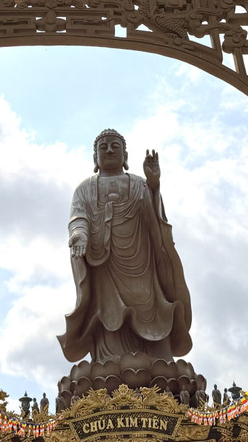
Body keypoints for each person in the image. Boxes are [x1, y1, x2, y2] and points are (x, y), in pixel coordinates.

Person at [58, 129, 192, 363]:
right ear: (95, 159)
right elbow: (78, 217)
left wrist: (153, 184)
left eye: (115, 147)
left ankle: (158, 360)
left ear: (126, 156)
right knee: (108, 317)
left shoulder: (140, 184)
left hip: (143, 268)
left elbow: (158, 220)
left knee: (151, 312)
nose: (109, 150)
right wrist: (79, 234)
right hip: (104, 266)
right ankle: (108, 361)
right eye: (103, 147)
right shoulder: (84, 189)